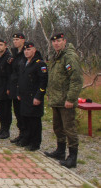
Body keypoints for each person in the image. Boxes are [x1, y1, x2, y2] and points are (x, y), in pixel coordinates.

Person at [44, 33, 83, 168]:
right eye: (54, 42)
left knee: (69, 128)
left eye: (59, 41)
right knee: (58, 127)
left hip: (66, 101)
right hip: (56, 99)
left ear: (64, 41)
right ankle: (60, 151)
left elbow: (76, 80)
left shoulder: (69, 57)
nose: (56, 44)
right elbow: (53, 77)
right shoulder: (56, 56)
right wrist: (49, 93)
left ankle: (72, 157)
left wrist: (71, 98)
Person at [17, 42, 47, 151]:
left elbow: (43, 82)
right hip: (24, 96)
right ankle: (27, 139)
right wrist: (19, 92)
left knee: (34, 121)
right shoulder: (24, 62)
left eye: (29, 50)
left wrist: (38, 96)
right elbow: (21, 79)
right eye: (25, 50)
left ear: (34, 50)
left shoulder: (39, 63)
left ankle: (35, 143)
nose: (26, 52)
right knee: (25, 119)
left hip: (34, 97)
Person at [8, 33, 27, 144]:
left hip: (23, 87)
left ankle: (26, 135)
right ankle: (21, 134)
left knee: (23, 112)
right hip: (15, 86)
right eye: (14, 39)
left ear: (23, 40)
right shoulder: (15, 54)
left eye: (17, 39)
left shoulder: (26, 53)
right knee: (17, 112)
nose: (15, 41)